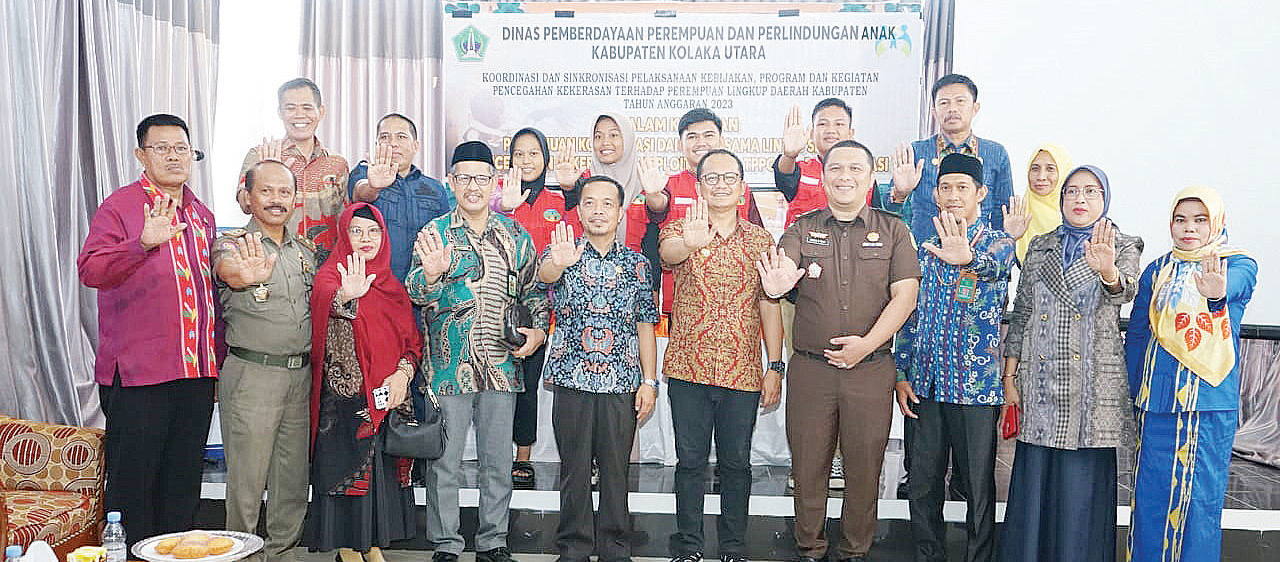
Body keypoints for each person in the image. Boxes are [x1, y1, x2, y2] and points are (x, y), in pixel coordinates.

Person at [757, 140, 921, 562]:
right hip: (812, 372)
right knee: (808, 469)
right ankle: (809, 549)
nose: (844, 176)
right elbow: (781, 272)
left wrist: (866, 344)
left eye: (855, 169)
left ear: (869, 178)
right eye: (836, 169)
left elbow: (905, 297)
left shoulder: (893, 230)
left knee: (864, 471)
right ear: (824, 176)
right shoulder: (800, 228)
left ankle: (855, 551)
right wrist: (776, 285)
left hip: (870, 370)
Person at [77, 114, 219, 549]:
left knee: (181, 486)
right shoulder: (120, 207)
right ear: (141, 155)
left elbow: (209, 295)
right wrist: (141, 244)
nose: (175, 157)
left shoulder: (201, 214)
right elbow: (91, 269)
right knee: (133, 487)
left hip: (195, 373)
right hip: (139, 376)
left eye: (182, 148)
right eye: (162, 148)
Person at [407, 141, 549, 562]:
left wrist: (538, 333)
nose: (473, 185)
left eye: (481, 178)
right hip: (449, 367)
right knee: (445, 463)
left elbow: (534, 293)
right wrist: (431, 275)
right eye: (464, 177)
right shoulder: (435, 234)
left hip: (502, 366)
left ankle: (493, 540)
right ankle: (446, 543)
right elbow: (414, 291)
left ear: (493, 183)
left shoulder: (515, 235)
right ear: (452, 181)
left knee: (496, 461)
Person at [999, 166, 1142, 562]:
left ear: (1104, 199)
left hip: (1090, 389)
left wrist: (1107, 270)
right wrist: (1010, 377)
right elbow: (1023, 312)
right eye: (1072, 192)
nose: (1080, 199)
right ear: (1061, 200)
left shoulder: (1123, 243)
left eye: (1091, 192)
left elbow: (1125, 290)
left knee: (1080, 494)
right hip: (1041, 384)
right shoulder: (1040, 246)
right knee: (1036, 489)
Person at [659, 149, 784, 562]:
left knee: (737, 465)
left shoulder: (760, 240)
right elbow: (668, 255)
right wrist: (691, 244)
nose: (720, 184)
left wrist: (775, 366)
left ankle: (733, 547)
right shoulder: (680, 228)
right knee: (690, 463)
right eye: (711, 178)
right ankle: (688, 547)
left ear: (742, 187)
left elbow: (769, 304)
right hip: (688, 368)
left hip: (742, 372)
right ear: (698, 186)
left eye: (729, 177)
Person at [1125, 186, 1257, 561]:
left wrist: (1216, 293)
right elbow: (1138, 334)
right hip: (1158, 405)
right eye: (1181, 220)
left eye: (1200, 220)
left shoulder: (1238, 263)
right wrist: (1136, 392)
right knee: (1150, 500)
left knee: (1200, 505)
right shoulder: (1158, 269)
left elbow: (1234, 288)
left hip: (1208, 405)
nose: (1189, 228)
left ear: (1217, 222)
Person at [894, 153, 1015, 562]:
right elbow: (907, 311)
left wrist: (967, 258)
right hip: (925, 383)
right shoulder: (922, 242)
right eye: (945, 187)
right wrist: (901, 372)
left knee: (977, 487)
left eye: (962, 187)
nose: (952, 195)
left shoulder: (998, 242)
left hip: (975, 388)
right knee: (923, 485)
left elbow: (994, 268)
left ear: (981, 192)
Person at [538, 176, 659, 562]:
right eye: (590, 203)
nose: (598, 211)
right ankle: (573, 547)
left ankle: (614, 547)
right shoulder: (562, 253)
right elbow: (543, 278)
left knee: (615, 472)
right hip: (572, 379)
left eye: (608, 204)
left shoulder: (638, 265)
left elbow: (645, 326)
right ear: (580, 210)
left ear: (620, 212)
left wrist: (649, 381)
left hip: (621, 382)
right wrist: (557, 264)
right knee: (573, 471)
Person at [307, 202, 421, 562]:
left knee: (380, 481)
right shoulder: (331, 274)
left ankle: (369, 549)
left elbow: (412, 342)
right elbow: (324, 304)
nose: (366, 238)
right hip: (345, 407)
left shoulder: (391, 285)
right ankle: (349, 550)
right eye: (356, 231)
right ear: (344, 235)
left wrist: (403, 373)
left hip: (387, 401)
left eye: (374, 231)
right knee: (348, 479)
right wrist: (345, 296)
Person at [215, 161, 316, 562]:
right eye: (266, 191)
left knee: (292, 482)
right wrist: (241, 275)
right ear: (248, 196)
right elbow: (228, 272)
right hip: (253, 376)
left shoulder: (306, 252)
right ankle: (240, 556)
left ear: (296, 199)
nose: (276, 200)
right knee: (247, 484)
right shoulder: (232, 245)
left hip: (299, 378)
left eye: (284, 192)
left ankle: (283, 554)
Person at [495, 127, 583, 488]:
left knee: (528, 384)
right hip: (496, 304)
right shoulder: (499, 199)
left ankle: (524, 454)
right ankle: (496, 451)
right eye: (519, 154)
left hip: (541, 308)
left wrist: (572, 193)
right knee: (498, 385)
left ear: (545, 158)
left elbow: (575, 241)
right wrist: (506, 209)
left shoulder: (558, 199)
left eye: (534, 153)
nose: (527, 160)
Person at [631, 108, 764, 321]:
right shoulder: (670, 185)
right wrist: (653, 193)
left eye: (708, 135)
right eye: (692, 137)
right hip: (684, 301)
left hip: (738, 303)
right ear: (679, 145)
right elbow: (658, 209)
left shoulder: (740, 188)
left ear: (721, 140)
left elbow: (759, 240)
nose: (700, 142)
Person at [883, 74, 1013, 244]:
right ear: (934, 112)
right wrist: (899, 194)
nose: (952, 109)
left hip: (979, 257)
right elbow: (887, 212)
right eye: (944, 103)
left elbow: (1002, 213)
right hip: (925, 256)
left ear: (975, 108)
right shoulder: (916, 152)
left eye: (960, 101)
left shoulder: (995, 153)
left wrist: (996, 253)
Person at [238, 77, 349, 253]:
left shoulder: (337, 164)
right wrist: (268, 173)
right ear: (280, 112)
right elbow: (245, 204)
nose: (299, 115)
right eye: (290, 108)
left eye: (307, 107)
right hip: (275, 261)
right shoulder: (260, 155)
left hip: (326, 267)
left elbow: (346, 219)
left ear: (321, 112)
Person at [349, 113, 453, 282]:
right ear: (377, 145)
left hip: (423, 288)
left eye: (401, 136)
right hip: (375, 287)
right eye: (385, 137)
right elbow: (360, 194)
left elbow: (446, 237)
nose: (393, 143)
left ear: (415, 145)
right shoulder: (364, 172)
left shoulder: (435, 188)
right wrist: (374, 186)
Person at [774, 98, 875, 226]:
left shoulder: (864, 173)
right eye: (823, 124)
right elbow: (784, 176)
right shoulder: (801, 170)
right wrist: (789, 155)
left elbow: (878, 219)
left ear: (850, 133)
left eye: (839, 124)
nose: (830, 130)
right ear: (811, 133)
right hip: (805, 243)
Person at [1001, 144, 1073, 264]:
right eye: (1035, 169)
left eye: (1050, 169)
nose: (1041, 177)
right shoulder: (1016, 217)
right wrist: (1010, 238)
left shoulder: (1076, 217)